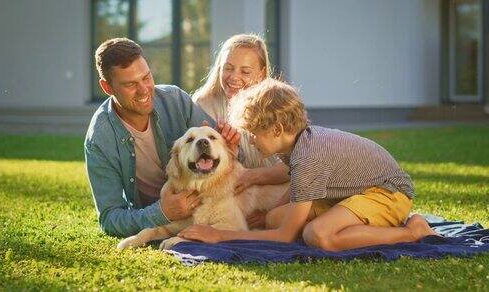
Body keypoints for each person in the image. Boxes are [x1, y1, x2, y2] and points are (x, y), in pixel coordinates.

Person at [179, 78, 438, 251]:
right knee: (273, 217)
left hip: (388, 194)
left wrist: (220, 235)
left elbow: (285, 237)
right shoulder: (296, 146)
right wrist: (269, 215)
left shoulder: (308, 157)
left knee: (317, 235)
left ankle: (411, 232)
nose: (252, 141)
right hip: (358, 193)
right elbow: (291, 201)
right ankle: (363, 226)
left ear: (277, 129)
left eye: (254, 134)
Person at [85, 38, 239, 237]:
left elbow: (221, 151)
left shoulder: (175, 100)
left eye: (146, 77)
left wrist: (231, 143)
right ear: (107, 88)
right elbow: (110, 218)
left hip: (207, 203)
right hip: (157, 216)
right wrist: (162, 212)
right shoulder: (100, 139)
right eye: (130, 84)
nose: (144, 90)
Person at [192, 34, 290, 228]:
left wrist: (252, 177)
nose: (234, 77)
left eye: (245, 71)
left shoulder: (277, 105)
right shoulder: (204, 104)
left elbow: (295, 168)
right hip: (232, 198)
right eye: (228, 68)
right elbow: (204, 168)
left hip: (279, 193)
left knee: (277, 221)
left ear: (262, 74)